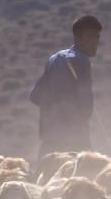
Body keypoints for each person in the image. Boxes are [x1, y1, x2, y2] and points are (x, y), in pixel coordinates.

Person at [29, 15, 102, 159]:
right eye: (90, 37)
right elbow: (86, 105)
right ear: (78, 38)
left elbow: (34, 97)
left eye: (97, 37)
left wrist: (52, 109)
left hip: (49, 141)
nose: (95, 42)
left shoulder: (54, 58)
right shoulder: (81, 61)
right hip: (75, 142)